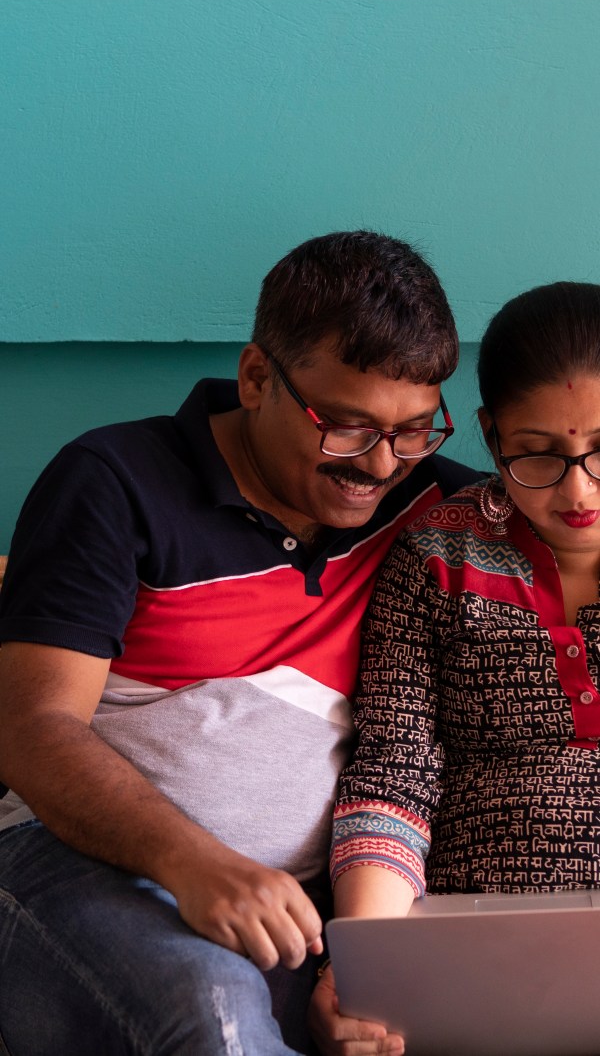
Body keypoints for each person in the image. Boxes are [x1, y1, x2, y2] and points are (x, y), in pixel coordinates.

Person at [0, 230, 477, 1056]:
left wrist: (356, 973)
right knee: (210, 1002)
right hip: (70, 868)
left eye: (413, 429)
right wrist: (194, 864)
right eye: (349, 427)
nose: (380, 466)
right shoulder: (116, 481)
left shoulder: (438, 509)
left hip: (308, 906)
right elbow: (31, 729)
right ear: (258, 377)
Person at [309, 279, 600, 1056]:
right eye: (536, 455)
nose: (578, 491)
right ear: (489, 434)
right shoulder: (439, 553)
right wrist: (367, 967)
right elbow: (395, 771)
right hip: (474, 964)